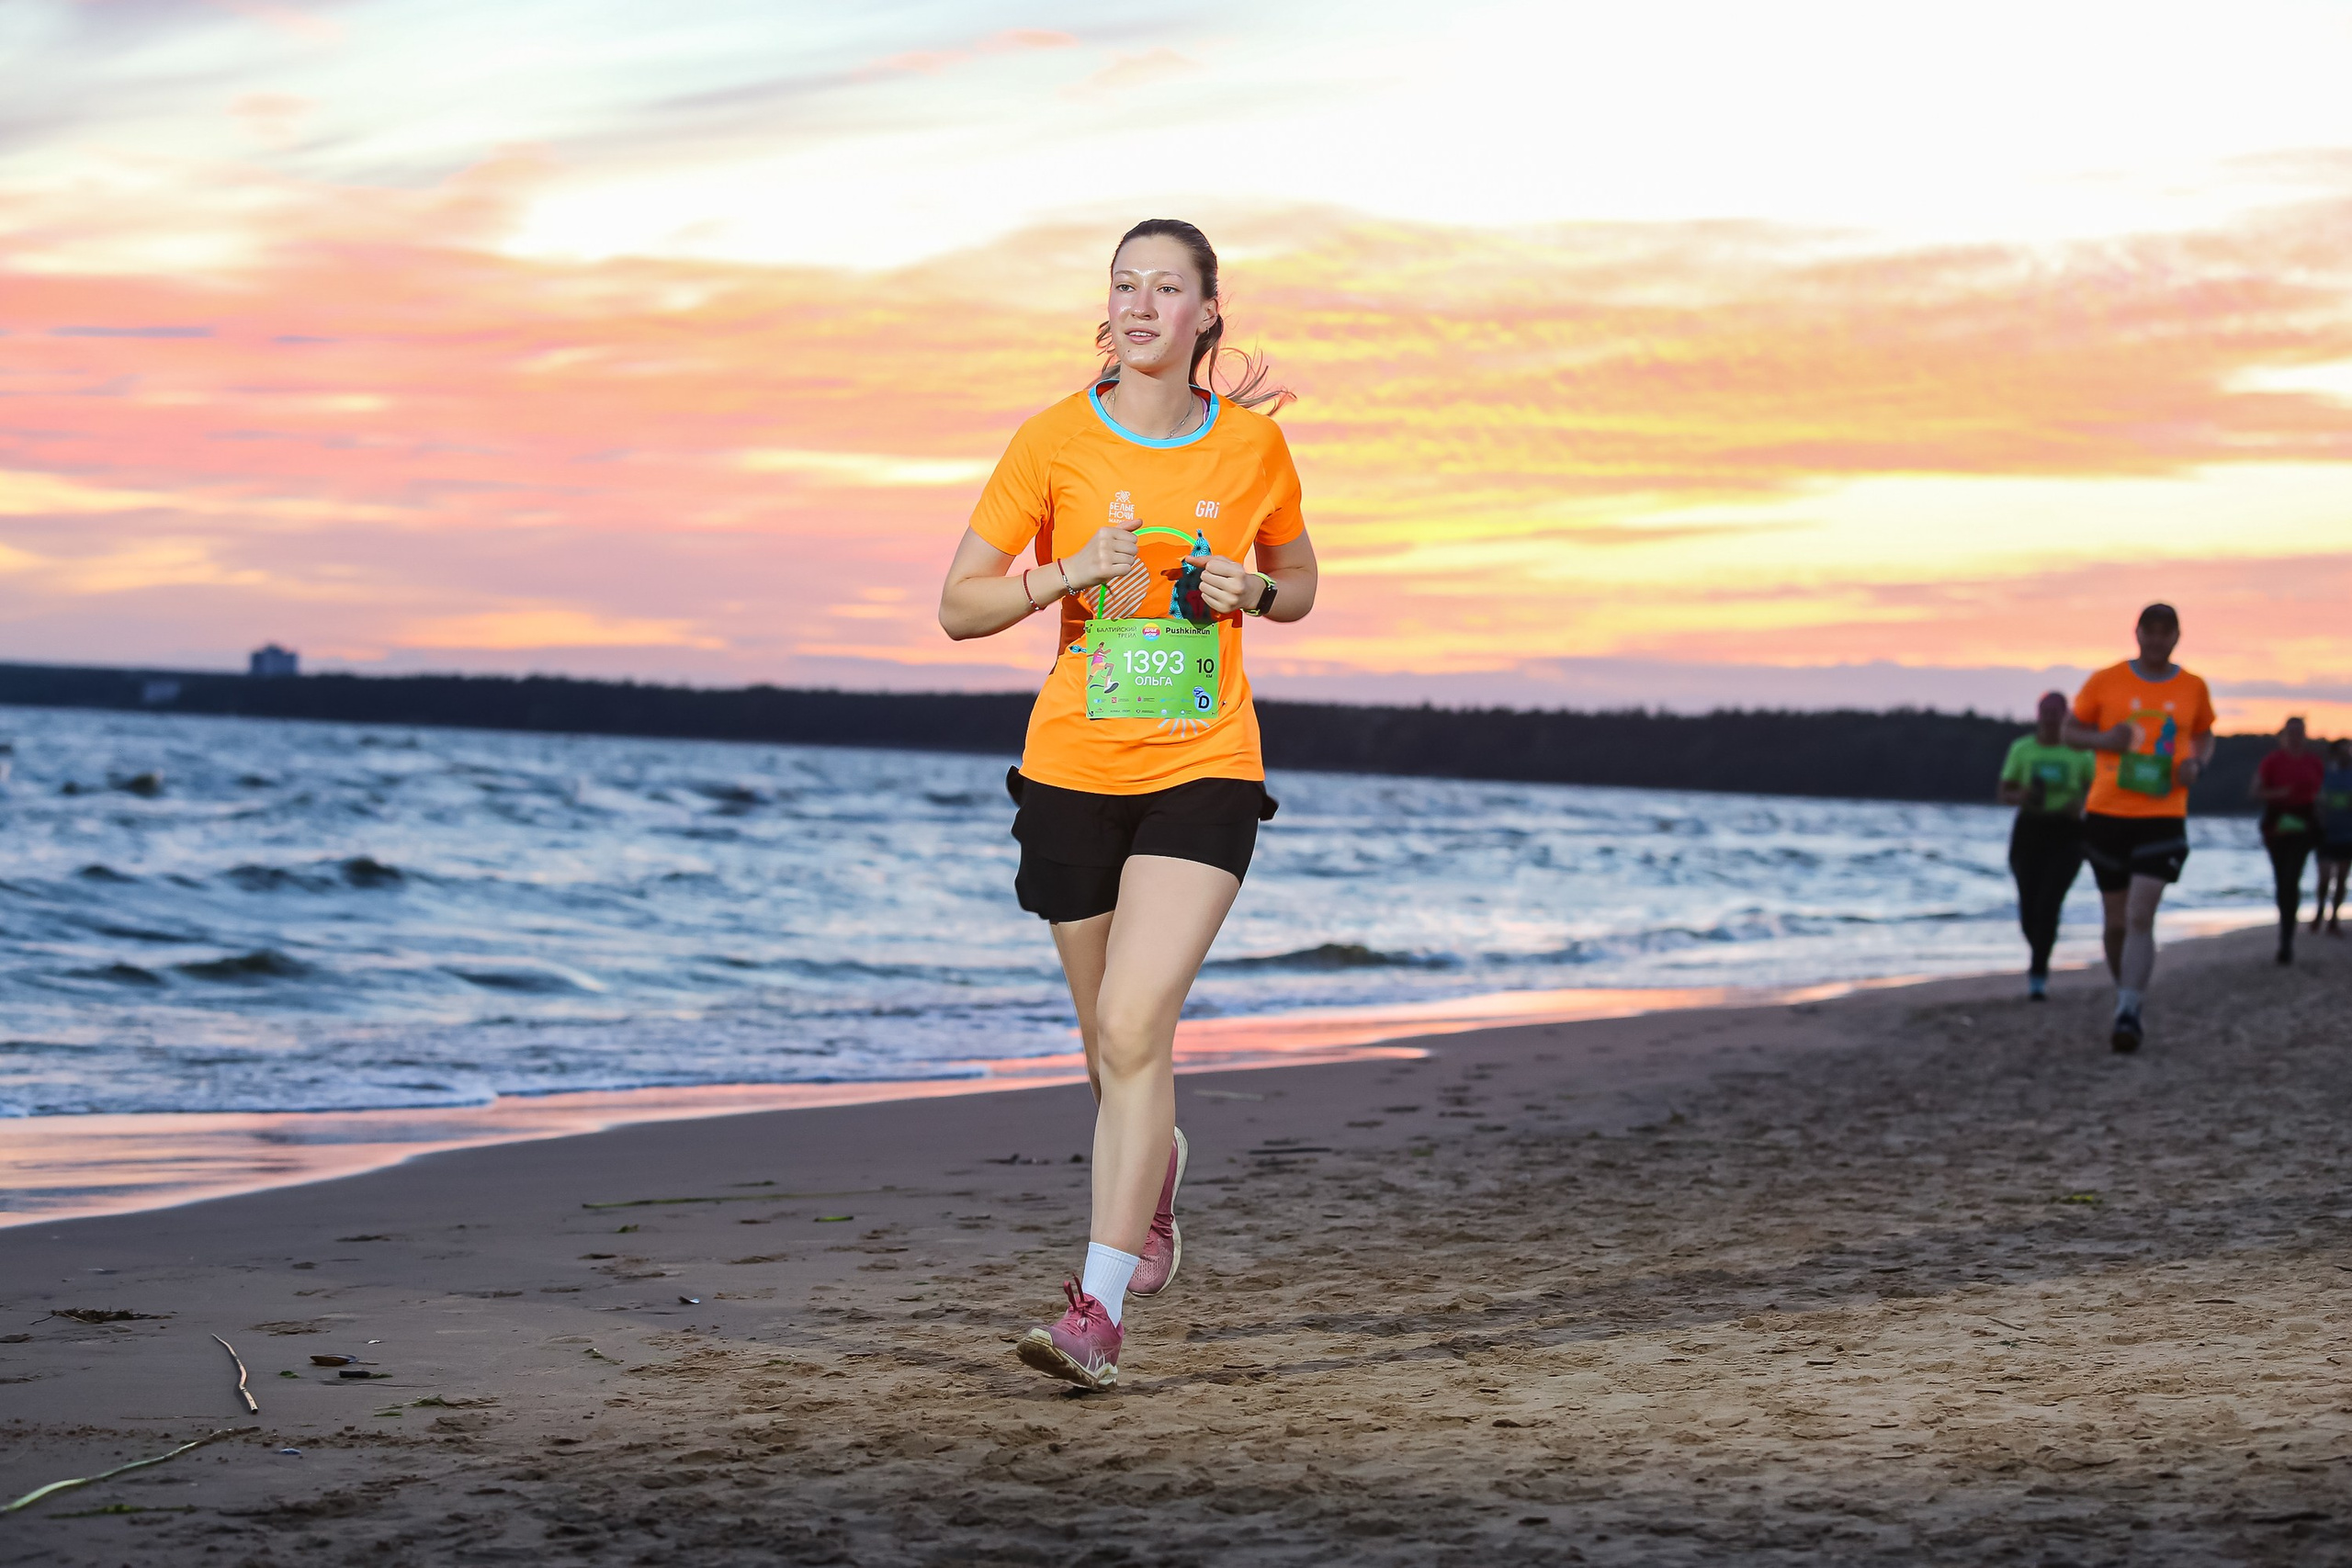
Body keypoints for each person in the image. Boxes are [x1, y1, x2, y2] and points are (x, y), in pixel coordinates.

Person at [936, 219, 1317, 1390]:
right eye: (1124, 286)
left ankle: (1094, 1312)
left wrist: (1256, 585)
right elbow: (959, 606)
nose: (1143, 304)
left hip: (1204, 766)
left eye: (1168, 287)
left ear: (1208, 313)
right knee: (1110, 1048)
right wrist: (1070, 572)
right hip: (1071, 770)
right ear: (1107, 310)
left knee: (1137, 1026)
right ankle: (1152, 1178)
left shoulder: (1252, 449)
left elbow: (1299, 582)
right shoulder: (1050, 440)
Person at [2063, 604, 2216, 1053]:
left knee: (2139, 914)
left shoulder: (2193, 687)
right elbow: (2072, 731)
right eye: (2149, 632)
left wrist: (2195, 764)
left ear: (2176, 637)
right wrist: (2101, 740)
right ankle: (2125, 992)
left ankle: (2128, 1010)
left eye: (2165, 632)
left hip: (2164, 815)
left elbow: (2205, 734)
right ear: (2137, 634)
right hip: (2108, 813)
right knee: (2115, 922)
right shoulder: (2106, 680)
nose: (2156, 640)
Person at [1997, 692, 2094, 998]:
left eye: (2057, 711)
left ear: (2066, 714)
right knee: (2029, 905)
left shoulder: (2081, 752)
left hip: (2068, 833)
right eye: (2046, 711)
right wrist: (2023, 795)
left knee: (2050, 902)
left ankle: (2038, 976)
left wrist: (2081, 804)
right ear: (2038, 714)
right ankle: (2041, 948)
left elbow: (2099, 792)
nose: (2051, 717)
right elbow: (2004, 791)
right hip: (2030, 829)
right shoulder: (2022, 748)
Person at [2250, 716, 2324, 964]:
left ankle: (2287, 940)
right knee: (2282, 880)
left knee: (2292, 877)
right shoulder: (2272, 761)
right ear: (2283, 735)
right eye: (2291, 733)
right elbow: (2255, 791)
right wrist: (2278, 793)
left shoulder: (2314, 762)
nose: (2295, 737)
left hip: (2304, 823)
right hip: (2277, 824)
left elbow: (2324, 794)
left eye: (2300, 732)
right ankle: (2285, 933)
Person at [2314, 739, 2352, 938]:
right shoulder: (2325, 774)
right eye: (2345, 749)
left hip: (2348, 835)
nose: (2349, 753)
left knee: (2342, 879)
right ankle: (2320, 908)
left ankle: (2334, 918)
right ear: (2335, 753)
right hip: (2325, 834)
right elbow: (2315, 798)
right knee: (2324, 877)